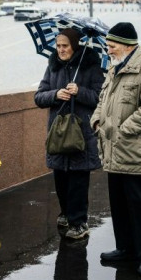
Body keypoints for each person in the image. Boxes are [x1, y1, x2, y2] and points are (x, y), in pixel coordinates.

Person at [91, 22, 141, 277]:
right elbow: (103, 100)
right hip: (114, 151)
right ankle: (126, 249)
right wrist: (97, 119)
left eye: (111, 46)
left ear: (126, 45)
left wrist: (123, 129)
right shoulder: (115, 68)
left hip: (137, 154)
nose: (108, 50)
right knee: (120, 205)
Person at [34, 28, 104, 240]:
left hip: (81, 133)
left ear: (75, 46)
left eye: (65, 46)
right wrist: (56, 94)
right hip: (58, 133)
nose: (61, 50)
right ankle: (66, 213)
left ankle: (79, 222)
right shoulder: (53, 66)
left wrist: (79, 91)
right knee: (61, 180)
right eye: (58, 46)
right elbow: (39, 97)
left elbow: (100, 97)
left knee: (78, 181)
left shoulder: (90, 66)